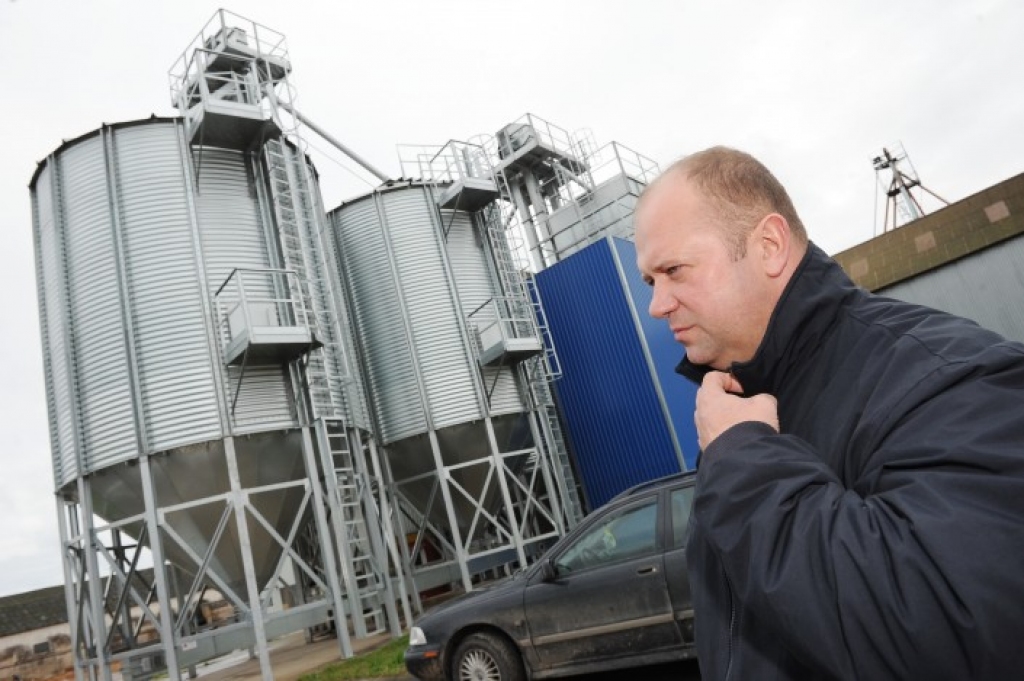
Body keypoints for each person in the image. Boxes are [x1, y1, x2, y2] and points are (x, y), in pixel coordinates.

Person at [634, 146, 1024, 680]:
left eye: (674, 270)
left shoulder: (947, 375)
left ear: (769, 246)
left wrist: (745, 462)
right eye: (650, 282)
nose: (657, 304)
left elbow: (950, 628)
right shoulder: (737, 406)